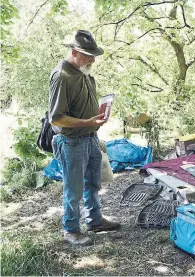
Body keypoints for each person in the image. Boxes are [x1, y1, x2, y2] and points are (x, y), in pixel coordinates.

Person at [49, 30, 121, 246]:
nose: (93, 59)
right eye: (88, 55)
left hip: (89, 138)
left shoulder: (84, 71)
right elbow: (57, 118)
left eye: (93, 54)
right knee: (74, 190)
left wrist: (95, 127)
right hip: (71, 142)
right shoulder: (62, 76)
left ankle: (95, 220)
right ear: (73, 52)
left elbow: (83, 107)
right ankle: (71, 230)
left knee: (93, 183)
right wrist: (87, 123)